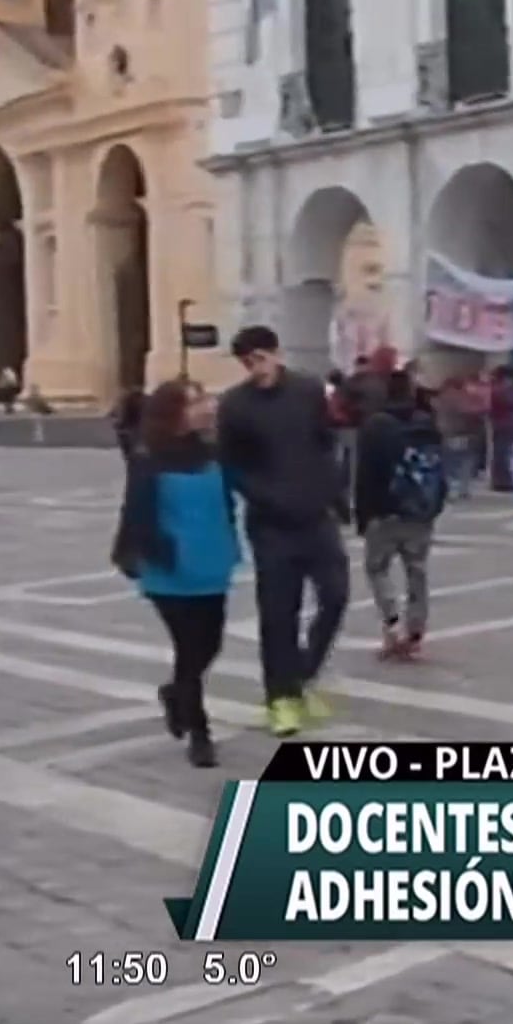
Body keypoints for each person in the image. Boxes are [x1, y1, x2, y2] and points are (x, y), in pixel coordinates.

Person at [218, 325, 350, 736]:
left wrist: (334, 492)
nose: (255, 369)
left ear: (275, 354)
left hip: (316, 518)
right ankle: (281, 698)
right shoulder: (235, 406)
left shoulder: (308, 390)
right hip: (271, 525)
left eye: (259, 359)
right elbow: (232, 465)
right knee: (279, 614)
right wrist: (267, 497)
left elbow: (326, 442)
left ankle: (301, 676)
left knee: (335, 596)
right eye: (246, 363)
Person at [109, 379, 240, 768]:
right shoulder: (148, 458)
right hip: (170, 568)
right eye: (196, 401)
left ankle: (176, 693)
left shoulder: (214, 453)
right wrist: (130, 554)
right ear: (174, 412)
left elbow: (231, 501)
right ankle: (199, 732)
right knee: (188, 648)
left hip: (212, 562)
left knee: (210, 643)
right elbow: (134, 510)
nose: (207, 406)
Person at [354, 369, 447, 659]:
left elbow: (365, 475)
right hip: (420, 510)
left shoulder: (375, 426)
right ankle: (416, 629)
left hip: (385, 512)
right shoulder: (426, 423)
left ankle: (392, 623)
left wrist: (363, 514)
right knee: (416, 569)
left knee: (377, 568)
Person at [434, 374, 483, 500]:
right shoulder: (459, 397)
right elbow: (469, 410)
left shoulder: (440, 397)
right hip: (462, 432)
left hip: (445, 433)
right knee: (466, 461)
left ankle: (449, 490)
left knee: (448, 464)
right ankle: (463, 489)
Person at [487, 364, 513, 492]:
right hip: (506, 423)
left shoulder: (494, 387)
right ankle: (503, 481)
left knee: (500, 452)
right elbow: (512, 401)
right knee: (504, 453)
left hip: (499, 422)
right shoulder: (503, 388)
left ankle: (499, 480)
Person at [112, 385, 145, 463]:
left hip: (127, 430)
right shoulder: (140, 401)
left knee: (129, 454)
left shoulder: (124, 402)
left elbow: (115, 416)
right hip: (132, 430)